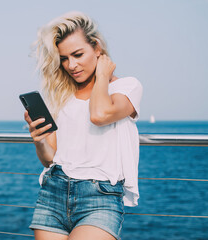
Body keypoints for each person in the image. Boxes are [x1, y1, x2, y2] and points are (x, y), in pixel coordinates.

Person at [24, 11, 143, 240]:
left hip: (100, 199)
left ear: (97, 48)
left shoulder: (127, 87)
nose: (71, 65)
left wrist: (102, 75)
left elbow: (99, 115)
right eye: (64, 59)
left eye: (78, 54)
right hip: (53, 192)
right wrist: (38, 139)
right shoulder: (61, 95)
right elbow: (50, 159)